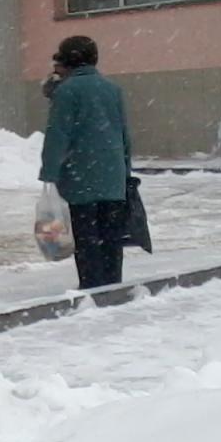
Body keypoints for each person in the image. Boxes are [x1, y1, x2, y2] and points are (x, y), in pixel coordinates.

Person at [39, 35, 132, 289]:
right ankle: (113, 285)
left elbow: (58, 134)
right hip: (113, 177)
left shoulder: (67, 92)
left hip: (82, 180)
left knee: (87, 237)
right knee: (111, 238)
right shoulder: (112, 88)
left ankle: (92, 286)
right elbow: (123, 133)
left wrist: (49, 171)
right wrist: (126, 170)